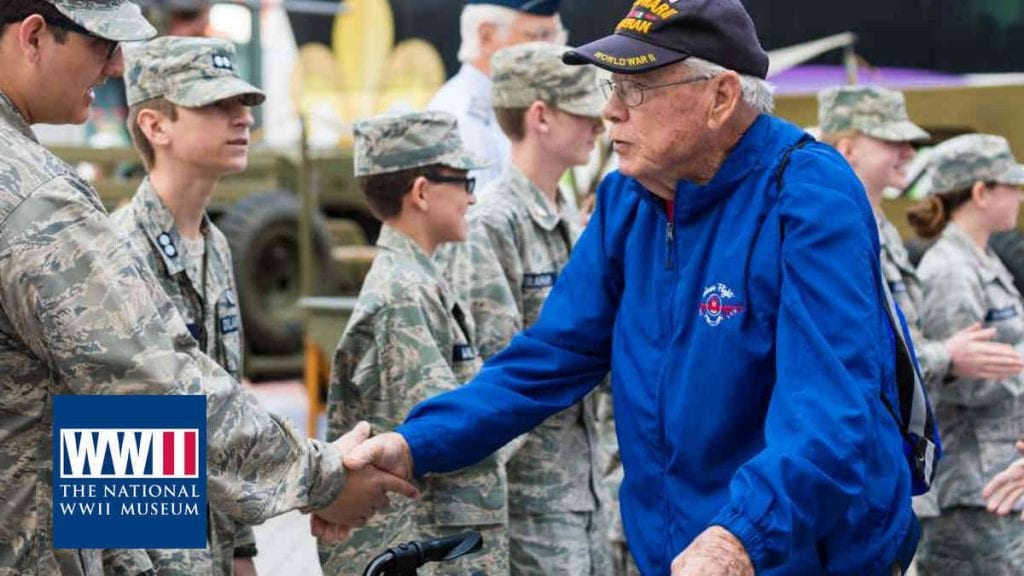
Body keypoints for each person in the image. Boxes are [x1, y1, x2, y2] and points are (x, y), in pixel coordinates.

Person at [342, 1, 921, 574]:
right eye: (608, 87)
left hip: (797, 551)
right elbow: (552, 358)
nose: (610, 112)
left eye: (635, 88)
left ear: (720, 97)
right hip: (685, 551)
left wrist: (739, 537)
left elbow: (827, 407)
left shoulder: (808, 194)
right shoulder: (631, 198)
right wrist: (415, 444)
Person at [0, 1, 415, 573]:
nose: (116, 65)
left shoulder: (215, 247)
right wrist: (320, 477)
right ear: (34, 37)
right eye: (100, 44)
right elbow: (145, 391)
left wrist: (241, 552)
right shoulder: (40, 200)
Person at [440, 41, 615, 575]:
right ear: (540, 116)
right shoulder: (492, 225)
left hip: (586, 489)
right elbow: (492, 375)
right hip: (531, 499)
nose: (601, 124)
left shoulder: (573, 222)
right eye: (583, 110)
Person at [98, 36, 266, 576]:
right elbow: (112, 459)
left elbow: (226, 412)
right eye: (217, 104)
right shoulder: (116, 254)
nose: (242, 118)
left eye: (243, 105)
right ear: (155, 125)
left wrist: (241, 553)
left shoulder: (215, 246)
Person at [816, 86, 1024, 520]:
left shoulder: (878, 231)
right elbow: (854, 353)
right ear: (849, 148)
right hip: (906, 473)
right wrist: (947, 355)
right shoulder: (832, 229)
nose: (909, 151)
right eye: (892, 141)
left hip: (905, 468)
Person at [317, 111, 510, 575]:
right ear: (422, 192)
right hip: (426, 547)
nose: (472, 196)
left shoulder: (420, 281)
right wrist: (535, 405)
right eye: (463, 182)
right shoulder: (403, 293)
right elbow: (449, 431)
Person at [907, 133, 1024, 575]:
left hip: (995, 478)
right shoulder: (951, 270)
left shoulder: (983, 260)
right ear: (980, 192)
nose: (1018, 196)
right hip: (970, 487)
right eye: (1010, 186)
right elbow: (965, 381)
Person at [428, 0, 565, 188]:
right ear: (487, 37)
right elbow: (476, 213)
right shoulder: (460, 120)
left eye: (554, 37)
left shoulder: (515, 103)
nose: (552, 51)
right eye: (539, 35)